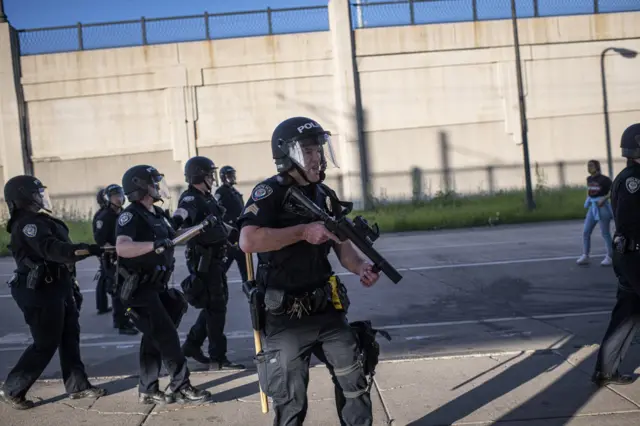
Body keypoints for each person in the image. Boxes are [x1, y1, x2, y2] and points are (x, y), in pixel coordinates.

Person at [238, 116, 381, 425]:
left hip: (326, 309)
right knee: (291, 401)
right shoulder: (269, 193)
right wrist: (303, 232)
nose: (318, 157)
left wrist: (361, 267)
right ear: (288, 155)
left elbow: (342, 246)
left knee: (355, 379)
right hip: (285, 317)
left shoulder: (324, 194)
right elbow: (248, 240)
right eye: (309, 150)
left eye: (319, 149)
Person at [0, 175, 106, 410]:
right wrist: (85, 249)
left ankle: (78, 386)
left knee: (70, 336)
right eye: (36, 193)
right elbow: (52, 250)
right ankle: (13, 389)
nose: (41, 197)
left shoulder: (41, 221)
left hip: (58, 287)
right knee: (45, 342)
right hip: (39, 291)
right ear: (24, 196)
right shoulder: (27, 225)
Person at [115, 165, 211, 404]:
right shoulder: (130, 215)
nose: (158, 187)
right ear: (141, 187)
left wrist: (200, 228)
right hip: (139, 289)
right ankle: (180, 386)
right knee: (167, 336)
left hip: (157, 286)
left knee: (154, 337)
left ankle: (147, 389)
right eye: (154, 183)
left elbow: (173, 236)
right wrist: (152, 245)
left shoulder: (156, 214)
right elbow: (122, 247)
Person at [174, 157, 245, 370]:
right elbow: (177, 226)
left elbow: (219, 223)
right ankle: (218, 357)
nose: (212, 178)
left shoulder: (206, 197)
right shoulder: (189, 200)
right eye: (209, 174)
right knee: (216, 307)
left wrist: (237, 234)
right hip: (202, 260)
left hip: (216, 257)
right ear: (199, 175)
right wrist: (196, 228)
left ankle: (192, 345)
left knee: (214, 305)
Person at [592, 122, 640, 386]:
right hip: (635, 257)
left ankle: (605, 370)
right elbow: (631, 222)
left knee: (627, 315)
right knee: (627, 313)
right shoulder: (634, 180)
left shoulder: (631, 177)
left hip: (629, 256)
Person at [92, 184, 138, 335]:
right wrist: (116, 250)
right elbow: (101, 241)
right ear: (108, 199)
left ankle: (127, 317)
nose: (119, 199)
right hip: (113, 259)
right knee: (118, 291)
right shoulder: (104, 217)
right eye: (115, 196)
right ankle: (121, 323)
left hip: (126, 257)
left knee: (129, 289)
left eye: (120, 195)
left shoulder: (124, 213)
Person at [577, 160, 614, 266]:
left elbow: (613, 191)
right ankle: (585, 255)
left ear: (597, 167)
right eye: (588, 166)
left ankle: (610, 256)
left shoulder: (605, 179)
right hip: (593, 207)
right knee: (586, 231)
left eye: (591, 166)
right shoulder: (589, 179)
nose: (589, 168)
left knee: (605, 233)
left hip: (602, 207)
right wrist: (588, 200)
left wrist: (604, 198)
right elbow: (590, 191)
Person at [215, 165, 248, 283]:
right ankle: (216, 283)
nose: (233, 177)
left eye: (233, 174)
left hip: (239, 232)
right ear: (223, 177)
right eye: (230, 175)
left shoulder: (235, 192)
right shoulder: (221, 192)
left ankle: (248, 284)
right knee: (225, 263)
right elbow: (217, 211)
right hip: (230, 234)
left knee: (245, 264)